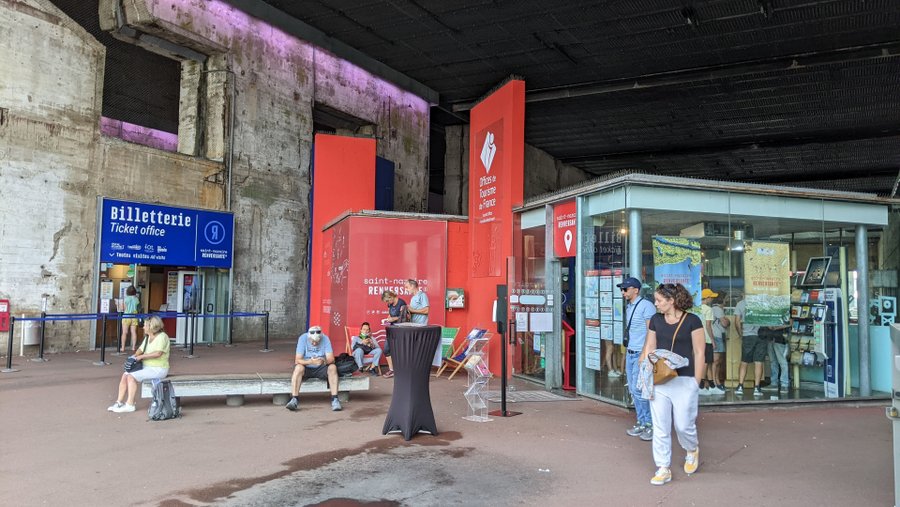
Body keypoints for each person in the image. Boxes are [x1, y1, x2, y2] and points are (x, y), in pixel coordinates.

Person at [641, 283, 705, 486]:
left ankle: (691, 448)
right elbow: (650, 347)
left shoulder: (693, 321)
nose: (656, 304)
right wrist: (644, 375)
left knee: (683, 425)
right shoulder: (655, 321)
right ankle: (663, 467)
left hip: (685, 380)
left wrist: (696, 381)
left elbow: (699, 352)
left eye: (659, 300)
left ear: (672, 300)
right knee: (660, 426)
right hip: (660, 380)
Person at [619, 277, 657, 441]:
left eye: (625, 289)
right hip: (631, 352)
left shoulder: (646, 306)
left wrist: (645, 352)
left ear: (636, 289)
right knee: (634, 390)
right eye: (622, 289)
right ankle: (642, 422)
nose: (623, 292)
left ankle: (649, 424)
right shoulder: (629, 306)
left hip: (641, 354)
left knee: (641, 390)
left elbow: (651, 331)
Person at [108, 315, 170, 413]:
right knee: (125, 375)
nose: (143, 327)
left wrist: (141, 357)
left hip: (159, 368)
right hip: (146, 367)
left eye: (145, 325)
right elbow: (140, 349)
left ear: (151, 327)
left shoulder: (162, 337)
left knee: (131, 377)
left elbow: (158, 353)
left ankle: (130, 404)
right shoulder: (148, 337)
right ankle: (119, 402)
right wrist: (133, 357)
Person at [285, 325, 342, 411]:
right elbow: (297, 360)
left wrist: (324, 361)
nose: (314, 343)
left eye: (317, 341)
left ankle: (335, 399)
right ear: (309, 337)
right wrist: (310, 362)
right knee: (298, 368)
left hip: (321, 367)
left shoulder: (325, 339)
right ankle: (294, 399)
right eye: (312, 341)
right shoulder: (303, 338)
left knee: (333, 367)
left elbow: (331, 359)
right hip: (306, 367)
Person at [734, 297, 765, 397]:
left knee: (744, 361)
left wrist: (740, 334)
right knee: (759, 362)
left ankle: (740, 386)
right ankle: (757, 388)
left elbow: (737, 322)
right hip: (762, 335)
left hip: (747, 335)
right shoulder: (762, 302)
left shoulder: (741, 303)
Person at [379, 290, 407, 378]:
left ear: (391, 297)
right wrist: (388, 319)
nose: (387, 303)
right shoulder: (390, 304)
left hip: (401, 330)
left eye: (387, 301)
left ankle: (402, 370)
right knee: (386, 349)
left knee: (400, 351)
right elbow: (390, 315)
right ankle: (392, 370)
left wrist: (393, 319)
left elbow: (404, 318)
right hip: (391, 329)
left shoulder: (402, 303)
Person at [698, 289, 717, 395]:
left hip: (697, 338)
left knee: (708, 362)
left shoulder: (696, 308)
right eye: (711, 297)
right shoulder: (708, 309)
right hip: (706, 339)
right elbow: (708, 326)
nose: (712, 299)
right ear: (707, 298)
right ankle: (701, 386)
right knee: (706, 363)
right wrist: (713, 340)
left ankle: (711, 385)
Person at [709, 294, 730, 393]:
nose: (726, 301)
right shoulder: (718, 309)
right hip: (717, 336)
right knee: (716, 361)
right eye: (726, 299)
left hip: (716, 336)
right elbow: (724, 323)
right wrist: (728, 320)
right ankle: (715, 382)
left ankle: (716, 380)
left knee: (718, 361)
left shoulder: (713, 309)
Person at [762, 323, 790, 392]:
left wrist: (775, 327)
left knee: (782, 362)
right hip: (770, 338)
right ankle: (774, 383)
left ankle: (784, 384)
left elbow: (790, 323)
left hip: (780, 338)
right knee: (773, 362)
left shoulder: (786, 312)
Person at [119, 285, 140, 353]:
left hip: (126, 316)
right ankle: (133, 347)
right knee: (133, 332)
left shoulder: (126, 299)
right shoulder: (136, 299)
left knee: (124, 332)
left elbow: (123, 309)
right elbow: (138, 307)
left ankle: (123, 347)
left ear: (127, 291)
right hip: (134, 316)